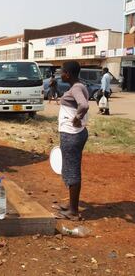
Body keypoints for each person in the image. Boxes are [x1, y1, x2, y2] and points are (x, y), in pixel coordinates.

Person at [56, 61, 89, 221]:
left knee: (72, 170)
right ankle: (71, 205)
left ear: (67, 74)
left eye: (61, 72)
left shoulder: (76, 88)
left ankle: (73, 212)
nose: (60, 74)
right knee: (70, 168)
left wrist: (77, 117)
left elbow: (84, 105)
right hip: (74, 134)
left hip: (72, 135)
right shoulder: (79, 86)